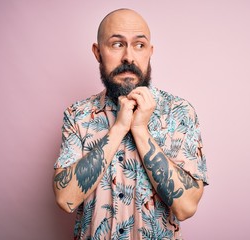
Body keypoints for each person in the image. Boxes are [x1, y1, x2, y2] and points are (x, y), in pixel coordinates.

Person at [53, 8, 208, 239]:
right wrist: (118, 129)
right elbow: (66, 199)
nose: (128, 57)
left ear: (150, 52)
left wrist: (139, 129)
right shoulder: (78, 115)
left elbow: (185, 207)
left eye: (139, 45)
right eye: (117, 44)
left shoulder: (180, 112)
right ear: (97, 52)